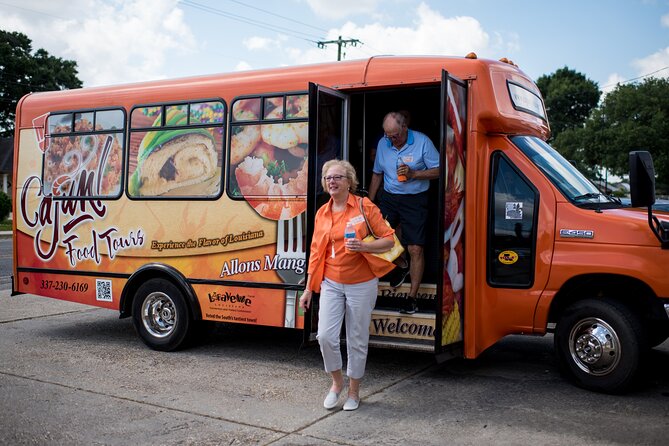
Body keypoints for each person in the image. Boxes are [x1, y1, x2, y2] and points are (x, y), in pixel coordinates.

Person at [299, 159, 395, 411]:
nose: (332, 181)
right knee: (325, 336)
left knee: (357, 338)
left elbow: (389, 241)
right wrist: (309, 287)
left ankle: (354, 391)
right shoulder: (322, 212)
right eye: (329, 178)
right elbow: (316, 252)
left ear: (349, 181)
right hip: (331, 282)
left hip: (361, 283)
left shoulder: (364, 207)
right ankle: (336, 383)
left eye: (338, 177)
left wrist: (364, 246)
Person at [368, 111, 440, 314]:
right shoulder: (384, 143)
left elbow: (441, 169)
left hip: (415, 199)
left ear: (405, 128)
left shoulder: (422, 142)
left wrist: (415, 174)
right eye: (387, 136)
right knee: (376, 238)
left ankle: (412, 298)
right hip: (390, 197)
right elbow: (377, 173)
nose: (391, 140)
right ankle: (402, 263)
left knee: (416, 248)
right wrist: (370, 203)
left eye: (395, 136)